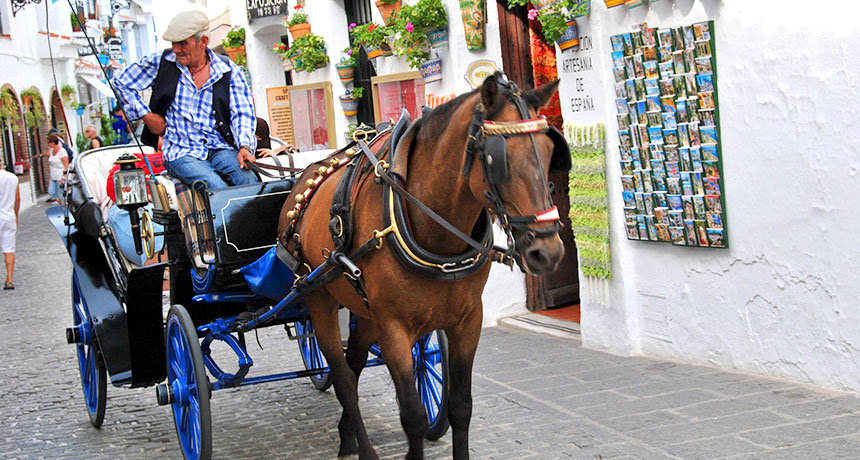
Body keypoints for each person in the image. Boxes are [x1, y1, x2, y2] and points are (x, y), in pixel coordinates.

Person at [112, 10, 258, 190]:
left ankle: (250, 218)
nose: (176, 50)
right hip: (180, 151)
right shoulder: (161, 62)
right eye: (174, 43)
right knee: (213, 185)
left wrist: (245, 146)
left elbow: (242, 113)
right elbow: (120, 82)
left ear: (203, 41)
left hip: (219, 147)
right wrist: (147, 116)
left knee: (248, 179)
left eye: (183, 43)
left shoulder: (229, 71)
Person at [0, 164, 18, 290]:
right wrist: (16, 215)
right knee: (9, 248)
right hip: (8, 216)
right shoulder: (12, 177)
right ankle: (10, 279)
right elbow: (17, 198)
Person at [38, 134, 69, 204]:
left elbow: (66, 165)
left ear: (52, 143)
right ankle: (61, 204)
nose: (48, 144)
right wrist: (39, 155)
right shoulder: (52, 151)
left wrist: (64, 177)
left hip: (60, 175)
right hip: (53, 176)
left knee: (60, 193)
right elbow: (46, 154)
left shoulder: (62, 151)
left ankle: (64, 208)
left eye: (48, 142)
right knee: (51, 192)